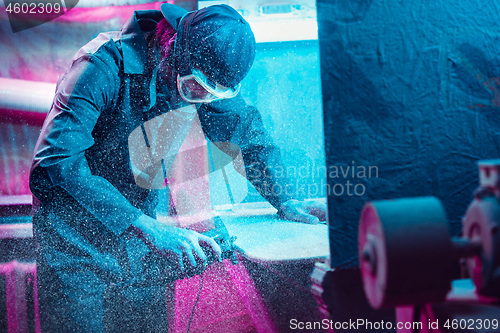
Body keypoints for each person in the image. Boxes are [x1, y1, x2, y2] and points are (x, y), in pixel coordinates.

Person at [29, 3, 326, 332]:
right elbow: (54, 164)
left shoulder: (203, 72)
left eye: (210, 95)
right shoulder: (100, 64)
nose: (197, 100)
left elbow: (249, 137)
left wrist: (285, 200)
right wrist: (146, 227)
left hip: (138, 245)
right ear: (171, 48)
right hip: (75, 250)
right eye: (194, 89)